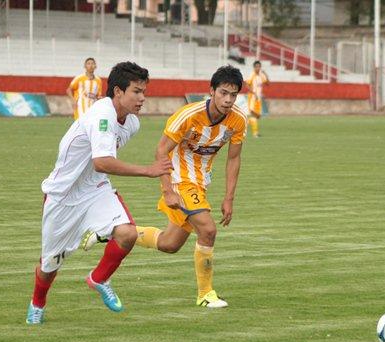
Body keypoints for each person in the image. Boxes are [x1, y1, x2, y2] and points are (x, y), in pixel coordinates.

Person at [84, 65, 247, 308]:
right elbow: (161, 150)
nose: (228, 100)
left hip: (200, 183)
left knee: (169, 244)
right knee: (208, 230)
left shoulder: (238, 120)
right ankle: (205, 294)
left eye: (233, 95)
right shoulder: (188, 115)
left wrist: (229, 198)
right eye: (223, 93)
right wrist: (168, 189)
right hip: (180, 179)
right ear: (211, 91)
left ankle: (113, 231)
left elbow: (234, 158)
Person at [26, 62, 172, 325]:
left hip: (95, 190)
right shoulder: (102, 115)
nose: (143, 98)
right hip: (63, 196)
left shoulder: (132, 123)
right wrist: (149, 171)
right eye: (137, 92)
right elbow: (102, 161)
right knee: (49, 266)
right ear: (118, 91)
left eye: (144, 91)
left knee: (127, 233)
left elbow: (100, 168)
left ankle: (99, 278)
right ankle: (37, 303)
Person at [245, 60, 269, 138]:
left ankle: (242, 123)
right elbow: (246, 84)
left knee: (258, 116)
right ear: (254, 67)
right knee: (253, 114)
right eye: (256, 67)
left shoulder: (261, 75)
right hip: (252, 97)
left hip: (258, 98)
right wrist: (253, 92)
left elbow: (267, 83)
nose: (258, 68)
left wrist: (266, 74)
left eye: (259, 66)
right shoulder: (252, 75)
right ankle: (255, 133)